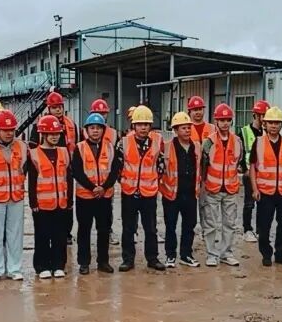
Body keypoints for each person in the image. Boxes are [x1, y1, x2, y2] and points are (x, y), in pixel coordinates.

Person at [73, 112, 122, 274]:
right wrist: (92, 187)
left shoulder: (110, 147)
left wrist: (104, 187)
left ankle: (103, 262)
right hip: (85, 197)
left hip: (104, 196)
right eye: (92, 128)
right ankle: (84, 263)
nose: (95, 131)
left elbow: (114, 170)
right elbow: (77, 171)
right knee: (84, 230)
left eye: (98, 128)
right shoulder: (79, 148)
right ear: (87, 130)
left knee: (104, 230)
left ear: (103, 130)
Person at [118, 105, 165, 272]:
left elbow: (161, 164)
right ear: (134, 125)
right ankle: (128, 259)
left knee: (150, 228)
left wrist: (153, 180)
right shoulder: (124, 142)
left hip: (149, 192)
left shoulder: (157, 141)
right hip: (129, 192)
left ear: (150, 125)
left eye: (146, 124)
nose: (143, 127)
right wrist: (124, 181)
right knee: (128, 228)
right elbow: (118, 166)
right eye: (140, 124)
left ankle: (152, 258)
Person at [0, 109, 27, 282]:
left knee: (15, 234)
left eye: (12, 130)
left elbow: (25, 169)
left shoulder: (22, 147)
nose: (9, 133)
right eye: (5, 130)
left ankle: (14, 269)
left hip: (16, 196)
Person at [250, 106, 282, 266]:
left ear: (281, 124)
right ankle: (266, 254)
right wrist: (255, 189)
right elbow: (252, 167)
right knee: (264, 226)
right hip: (265, 192)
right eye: (271, 123)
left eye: (277, 123)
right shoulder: (258, 143)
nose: (274, 126)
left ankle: (281, 254)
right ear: (265, 124)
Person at [29, 115, 74, 279]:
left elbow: (68, 178)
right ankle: (42, 266)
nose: (55, 136)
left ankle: (58, 265)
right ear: (43, 134)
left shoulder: (64, 152)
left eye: (57, 133)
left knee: (59, 236)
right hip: (42, 205)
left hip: (61, 203)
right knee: (42, 236)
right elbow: (32, 181)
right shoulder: (34, 154)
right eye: (51, 133)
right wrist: (33, 202)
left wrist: (69, 200)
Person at [201, 103, 243, 266]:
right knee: (210, 224)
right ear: (216, 121)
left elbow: (238, 162)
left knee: (229, 224)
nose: (225, 123)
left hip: (230, 189)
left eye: (228, 120)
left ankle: (226, 253)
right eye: (222, 120)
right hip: (212, 189)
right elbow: (203, 165)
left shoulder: (237, 141)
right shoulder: (209, 142)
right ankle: (212, 254)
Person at [161, 112, 202, 267]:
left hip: (190, 193)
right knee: (170, 225)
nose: (187, 130)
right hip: (172, 194)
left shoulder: (196, 147)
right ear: (176, 130)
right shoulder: (167, 147)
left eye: (188, 127)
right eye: (183, 128)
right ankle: (170, 255)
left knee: (189, 225)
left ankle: (186, 255)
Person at [239, 99, 268, 242]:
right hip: (249, 173)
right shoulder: (244, 132)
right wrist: (244, 169)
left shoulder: (268, 132)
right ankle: (247, 229)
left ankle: (260, 230)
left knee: (263, 204)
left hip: (264, 174)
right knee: (249, 203)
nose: (264, 119)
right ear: (256, 115)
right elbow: (239, 152)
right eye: (262, 115)